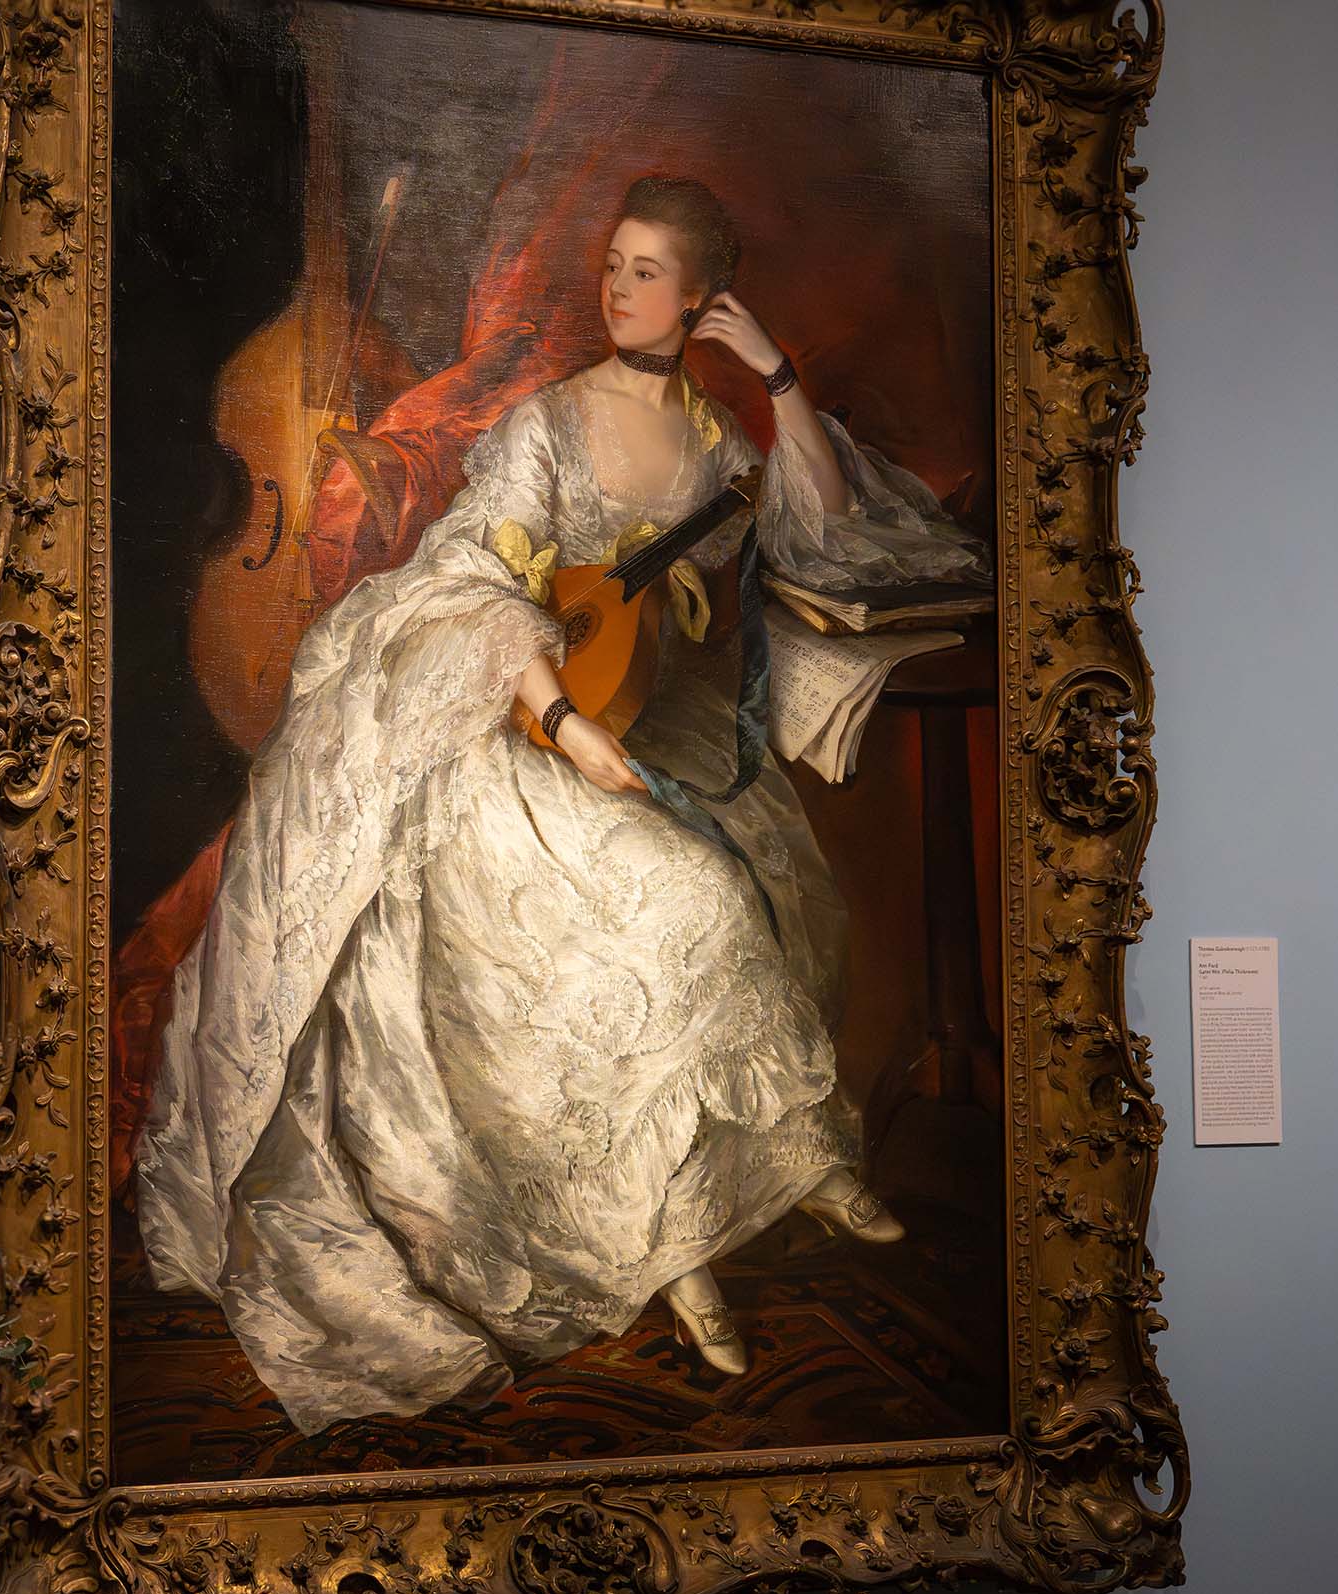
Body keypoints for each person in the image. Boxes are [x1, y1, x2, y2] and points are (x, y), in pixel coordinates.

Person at [132, 176, 985, 1433]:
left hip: (662, 734)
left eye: (647, 272)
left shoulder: (719, 443)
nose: (618, 287)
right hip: (529, 740)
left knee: (766, 908)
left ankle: (783, 1174)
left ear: (701, 301)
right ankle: (681, 1255)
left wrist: (781, 376)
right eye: (614, 265)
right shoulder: (545, 426)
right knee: (678, 913)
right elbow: (475, 579)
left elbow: (829, 531)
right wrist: (563, 723)